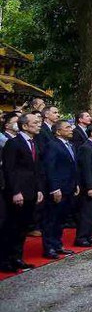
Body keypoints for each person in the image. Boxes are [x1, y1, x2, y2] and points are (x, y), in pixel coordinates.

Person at [0, 113, 44, 272]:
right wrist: (15, 192)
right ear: (25, 126)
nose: (39, 125)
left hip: (31, 191)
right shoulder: (13, 143)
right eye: (36, 122)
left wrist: (39, 189)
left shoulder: (34, 143)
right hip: (17, 193)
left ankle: (17, 258)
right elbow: (9, 170)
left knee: (23, 227)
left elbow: (36, 169)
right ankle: (5, 261)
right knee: (11, 227)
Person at [41, 119, 78, 259]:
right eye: (67, 127)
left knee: (61, 218)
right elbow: (50, 168)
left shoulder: (71, 145)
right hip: (57, 189)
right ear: (58, 131)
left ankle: (57, 244)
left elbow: (72, 167)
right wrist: (54, 188)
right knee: (52, 219)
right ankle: (49, 247)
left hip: (69, 187)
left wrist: (76, 184)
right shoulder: (52, 145)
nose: (71, 129)